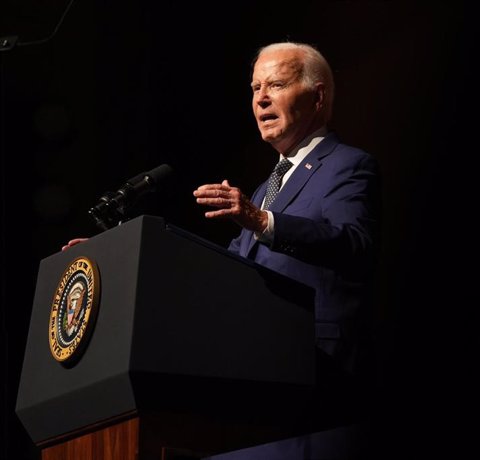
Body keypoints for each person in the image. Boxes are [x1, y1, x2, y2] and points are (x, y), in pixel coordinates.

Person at [63, 41, 382, 458]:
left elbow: (354, 243)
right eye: (255, 88)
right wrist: (120, 259)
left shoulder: (347, 164)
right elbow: (224, 269)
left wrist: (261, 221)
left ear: (317, 96)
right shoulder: (264, 189)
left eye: (276, 85)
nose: (261, 99)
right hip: (255, 381)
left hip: (317, 376)